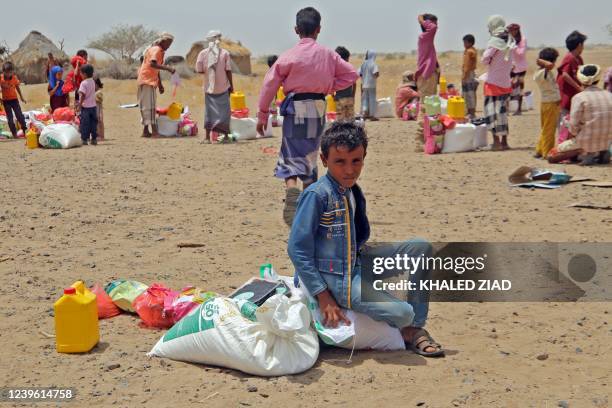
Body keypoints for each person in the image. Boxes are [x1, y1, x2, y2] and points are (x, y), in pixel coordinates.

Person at [288, 121, 444, 357]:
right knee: (403, 313)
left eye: (356, 161)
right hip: (338, 280)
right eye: (340, 162)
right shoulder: (317, 195)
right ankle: (409, 327)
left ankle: (414, 328)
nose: (349, 170)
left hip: (356, 261)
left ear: (364, 157)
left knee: (420, 248)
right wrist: (323, 295)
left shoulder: (352, 190)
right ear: (324, 160)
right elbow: (297, 249)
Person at [255, 7, 359, 226]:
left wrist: (263, 114)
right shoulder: (328, 54)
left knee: (290, 152)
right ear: (319, 29)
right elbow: (351, 74)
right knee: (311, 155)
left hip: (296, 108)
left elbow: (269, 85)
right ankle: (307, 204)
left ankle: (292, 191)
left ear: (296, 30)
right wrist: (330, 85)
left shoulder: (288, 56)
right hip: (318, 108)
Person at [195, 30, 234, 144]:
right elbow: (228, 71)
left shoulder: (202, 54)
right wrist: (231, 86)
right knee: (224, 113)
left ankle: (207, 138)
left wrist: (210, 73)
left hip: (209, 89)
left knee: (209, 112)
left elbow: (199, 70)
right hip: (223, 88)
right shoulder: (225, 53)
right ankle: (226, 136)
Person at [482, 15, 514, 151]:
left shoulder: (494, 42)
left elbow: (484, 59)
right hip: (505, 82)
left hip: (493, 82)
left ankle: (496, 142)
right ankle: (505, 142)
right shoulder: (510, 39)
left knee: (492, 113)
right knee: (502, 113)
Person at [569, 65, 612, 166]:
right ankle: (603, 152)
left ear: (580, 79)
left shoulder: (579, 97)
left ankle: (588, 154)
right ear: (598, 78)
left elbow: (573, 125)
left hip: (587, 139)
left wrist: (573, 134)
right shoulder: (609, 95)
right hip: (608, 138)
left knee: (555, 154)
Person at [137, 32, 176, 138]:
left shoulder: (158, 50)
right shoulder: (156, 50)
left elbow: (156, 69)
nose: (169, 46)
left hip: (147, 80)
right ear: (163, 41)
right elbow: (153, 64)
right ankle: (154, 132)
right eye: (168, 43)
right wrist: (168, 68)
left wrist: (160, 84)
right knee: (150, 107)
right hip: (147, 81)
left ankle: (145, 131)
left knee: (147, 106)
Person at [533, 48, 561, 158]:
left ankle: (540, 150)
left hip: (546, 103)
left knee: (545, 128)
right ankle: (547, 152)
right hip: (550, 103)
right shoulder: (542, 73)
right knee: (549, 129)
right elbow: (549, 65)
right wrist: (542, 61)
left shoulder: (541, 72)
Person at [557, 31, 587, 119]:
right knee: (565, 126)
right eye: (583, 45)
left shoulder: (579, 59)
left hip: (575, 98)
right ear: (579, 45)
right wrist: (578, 88)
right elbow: (565, 75)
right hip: (566, 98)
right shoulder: (569, 58)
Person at [0, 61, 28, 138]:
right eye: (7, 72)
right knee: (10, 119)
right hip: (6, 101)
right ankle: (14, 133)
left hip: (14, 100)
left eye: (11, 72)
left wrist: (21, 97)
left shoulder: (14, 78)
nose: (9, 74)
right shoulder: (1, 78)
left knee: (19, 116)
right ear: (4, 72)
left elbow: (17, 87)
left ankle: (25, 130)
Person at [416, 14, 439, 100]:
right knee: (427, 100)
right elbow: (433, 28)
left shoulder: (427, 38)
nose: (437, 26)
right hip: (426, 73)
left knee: (431, 101)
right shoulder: (424, 37)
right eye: (435, 23)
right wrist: (421, 20)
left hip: (429, 72)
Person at [507, 24, 528, 115]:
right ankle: (506, 109)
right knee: (507, 87)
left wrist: (514, 45)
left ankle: (519, 109)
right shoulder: (509, 40)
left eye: (513, 30)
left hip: (520, 67)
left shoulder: (523, 40)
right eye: (510, 31)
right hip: (511, 67)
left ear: (517, 30)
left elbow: (521, 53)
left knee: (519, 88)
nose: (511, 32)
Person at [334, 46, 356, 121]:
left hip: (339, 98)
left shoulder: (335, 69)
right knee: (349, 120)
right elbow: (354, 83)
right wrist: (353, 96)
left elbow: (331, 82)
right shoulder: (349, 68)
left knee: (340, 120)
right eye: (347, 58)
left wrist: (332, 95)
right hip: (348, 98)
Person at [78, 64, 98, 145]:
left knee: (85, 123)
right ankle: (94, 139)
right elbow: (95, 89)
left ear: (85, 74)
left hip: (85, 107)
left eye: (81, 73)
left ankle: (84, 139)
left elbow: (82, 94)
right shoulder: (93, 81)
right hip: (93, 107)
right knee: (93, 123)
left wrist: (79, 104)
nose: (80, 75)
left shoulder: (83, 83)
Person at [461, 34, 478, 118]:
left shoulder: (469, 52)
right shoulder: (473, 50)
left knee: (468, 94)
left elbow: (467, 67)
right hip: (472, 74)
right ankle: (472, 112)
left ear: (470, 43)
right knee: (472, 94)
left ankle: (470, 113)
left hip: (468, 75)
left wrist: (464, 78)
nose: (464, 44)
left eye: (465, 42)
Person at [359, 50, 379, 120]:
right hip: (372, 85)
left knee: (365, 99)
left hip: (364, 84)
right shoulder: (373, 64)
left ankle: (364, 113)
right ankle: (372, 116)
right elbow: (375, 73)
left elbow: (360, 74)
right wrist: (376, 76)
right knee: (372, 99)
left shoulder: (363, 63)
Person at [95, 76, 104, 140]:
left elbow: (99, 101)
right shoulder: (95, 92)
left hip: (98, 108)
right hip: (96, 108)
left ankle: (101, 136)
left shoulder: (99, 92)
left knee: (99, 122)